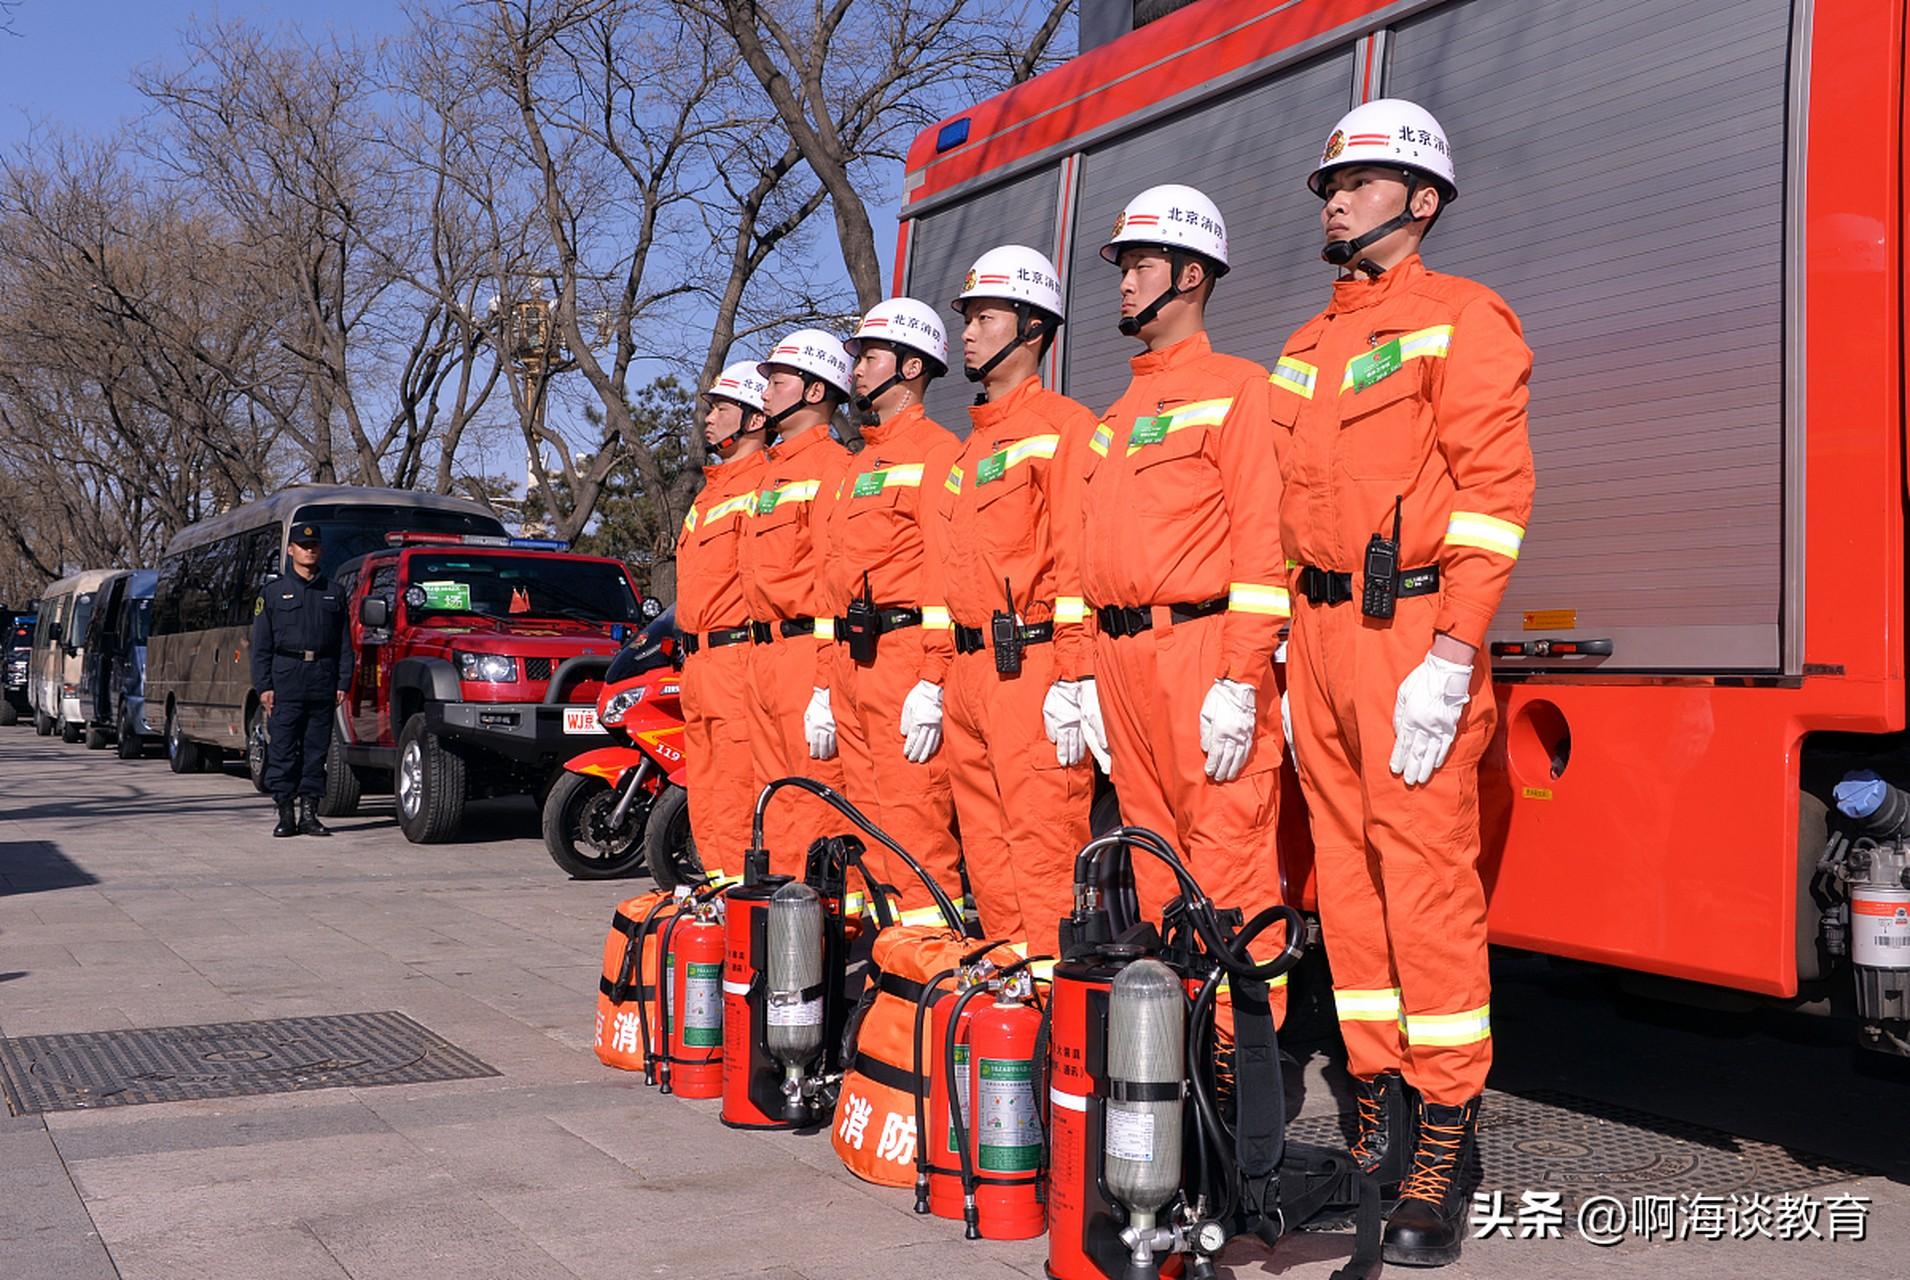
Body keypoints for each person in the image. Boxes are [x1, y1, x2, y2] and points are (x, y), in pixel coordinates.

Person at [1272, 98, 1535, 1268]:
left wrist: (1450, 650)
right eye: (1331, 184)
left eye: (1361, 182)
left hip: (1409, 631)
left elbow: (1493, 493)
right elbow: (1280, 507)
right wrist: (1277, 650)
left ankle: (1441, 1137)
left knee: (1425, 886)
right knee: (1345, 882)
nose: (1336, 198)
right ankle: (1374, 1105)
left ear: (1419, 201)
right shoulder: (1304, 345)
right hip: (1319, 637)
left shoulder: (1462, 318)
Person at [1074, 183, 1291, 1022]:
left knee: (1228, 861)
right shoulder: (1116, 416)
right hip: (1123, 660)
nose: (1125, 282)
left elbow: (1262, 546)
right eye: (1123, 268)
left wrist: (1240, 678)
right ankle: (1174, 1052)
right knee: (1156, 860)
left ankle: (1240, 1064)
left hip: (1201, 654)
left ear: (1191, 275)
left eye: (1141, 265)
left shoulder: (1240, 389)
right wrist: (1085, 674)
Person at [928, 245, 1098, 958]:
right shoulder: (967, 454)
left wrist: (1075, 675)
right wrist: (935, 679)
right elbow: (945, 577)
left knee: (1043, 843)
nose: (966, 334)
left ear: (1032, 327)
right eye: (966, 319)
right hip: (970, 674)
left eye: (985, 318)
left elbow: (1077, 562)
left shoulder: (1065, 429)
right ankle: (1008, 986)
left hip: (1030, 667)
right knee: (987, 852)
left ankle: (1055, 996)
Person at [822, 298, 963, 916]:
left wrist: (932, 678)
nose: (855, 370)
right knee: (867, 823)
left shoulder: (937, 452)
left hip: (903, 658)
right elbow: (835, 575)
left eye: (869, 357)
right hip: (855, 660)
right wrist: (826, 681)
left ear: (910, 368)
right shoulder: (861, 464)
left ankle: (927, 949)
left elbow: (944, 571)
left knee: (914, 823)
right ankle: (888, 949)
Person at [735, 328, 854, 878]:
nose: (765, 393)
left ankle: (816, 911)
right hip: (764, 654)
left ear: (814, 391)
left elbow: (833, 581)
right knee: (771, 798)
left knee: (812, 794)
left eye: (777, 382)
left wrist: (826, 682)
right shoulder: (771, 475)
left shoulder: (833, 469)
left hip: (806, 653)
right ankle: (780, 907)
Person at [676, 360, 771, 880]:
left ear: (754, 419)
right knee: (706, 789)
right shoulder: (710, 491)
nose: (709, 418)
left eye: (722, 408)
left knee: (736, 789)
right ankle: (717, 886)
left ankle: (736, 893)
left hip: (736, 658)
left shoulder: (762, 486)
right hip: (698, 663)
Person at [250, 523, 352, 838]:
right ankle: (285, 814)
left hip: (322, 678)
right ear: (291, 550)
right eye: (303, 546)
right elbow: (261, 645)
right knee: (282, 750)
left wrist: (343, 682)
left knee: (316, 751)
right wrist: (264, 686)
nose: (309, 550)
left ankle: (309, 814)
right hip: (286, 680)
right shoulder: (272, 594)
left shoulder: (334, 592)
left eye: (314, 546)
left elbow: (344, 643)